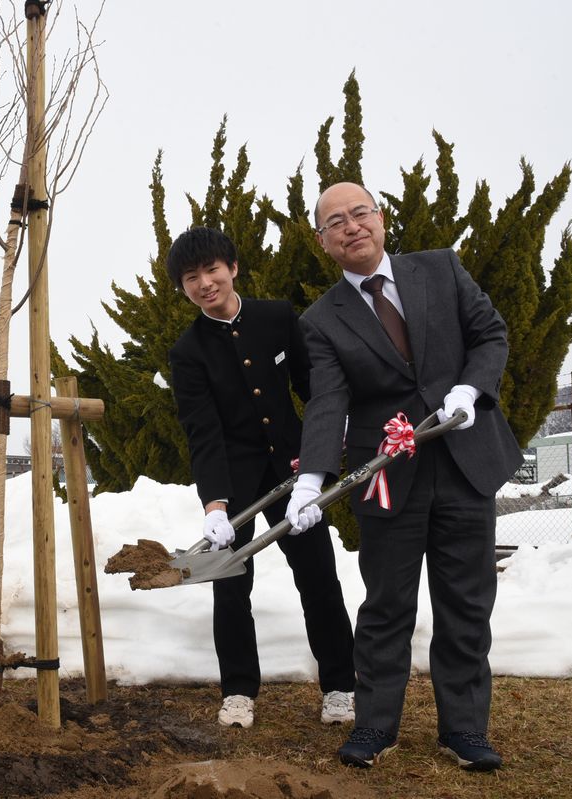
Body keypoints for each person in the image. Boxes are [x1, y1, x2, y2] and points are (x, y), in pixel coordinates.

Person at [286, 182, 522, 771]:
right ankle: (374, 726)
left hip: (466, 462)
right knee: (387, 604)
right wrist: (311, 478)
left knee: (466, 601)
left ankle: (464, 730)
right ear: (323, 242)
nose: (350, 226)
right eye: (335, 222)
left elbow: (491, 334)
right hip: (387, 477)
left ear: (381, 218)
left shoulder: (440, 269)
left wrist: (472, 388)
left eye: (359, 213)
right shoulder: (321, 320)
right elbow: (327, 402)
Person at [166, 227, 356, 730]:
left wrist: (319, 464)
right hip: (235, 483)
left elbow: (316, 391)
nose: (205, 283)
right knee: (230, 590)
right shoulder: (188, 353)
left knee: (319, 579)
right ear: (183, 288)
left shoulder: (277, 317)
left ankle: (340, 686)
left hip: (296, 475)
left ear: (232, 268)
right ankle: (238, 692)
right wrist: (215, 507)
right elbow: (202, 432)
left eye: (212, 270)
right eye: (192, 277)